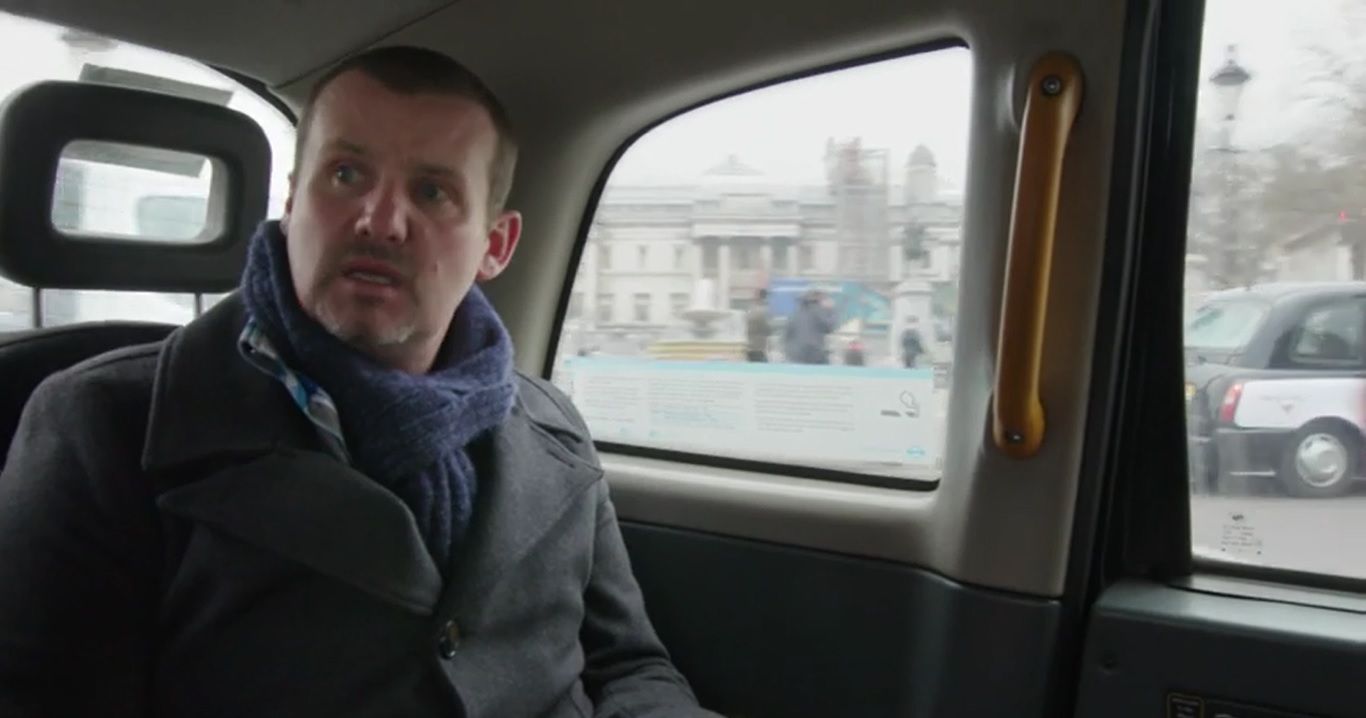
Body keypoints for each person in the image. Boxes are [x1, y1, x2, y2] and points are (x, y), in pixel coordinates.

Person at [0, 46, 716, 718]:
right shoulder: (106, 425)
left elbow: (629, 667)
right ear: (293, 203)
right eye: (346, 175)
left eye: (432, 191)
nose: (380, 220)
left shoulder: (554, 428)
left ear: (494, 246)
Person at [784, 288, 838, 364]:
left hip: (796, 354)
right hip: (813, 353)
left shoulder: (797, 312)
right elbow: (829, 327)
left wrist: (789, 351)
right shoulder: (818, 310)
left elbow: (787, 333)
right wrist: (831, 310)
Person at [744, 287, 772, 362]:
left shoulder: (751, 309)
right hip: (758, 348)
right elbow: (767, 330)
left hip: (751, 346)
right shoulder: (761, 311)